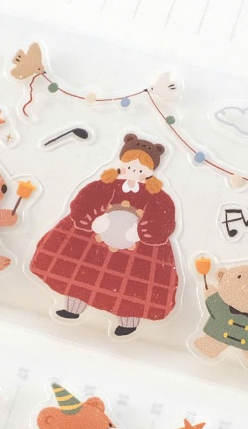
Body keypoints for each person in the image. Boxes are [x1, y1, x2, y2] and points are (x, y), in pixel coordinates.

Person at [30, 133, 178, 337]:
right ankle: (73, 309)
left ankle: (129, 322)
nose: (134, 172)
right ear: (123, 163)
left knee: (132, 286)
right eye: (130, 166)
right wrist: (93, 219)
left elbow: (164, 220)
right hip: (93, 244)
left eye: (141, 169)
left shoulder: (158, 198)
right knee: (81, 273)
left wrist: (140, 232)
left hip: (137, 251)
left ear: (149, 171)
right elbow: (83, 202)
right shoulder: (104, 185)